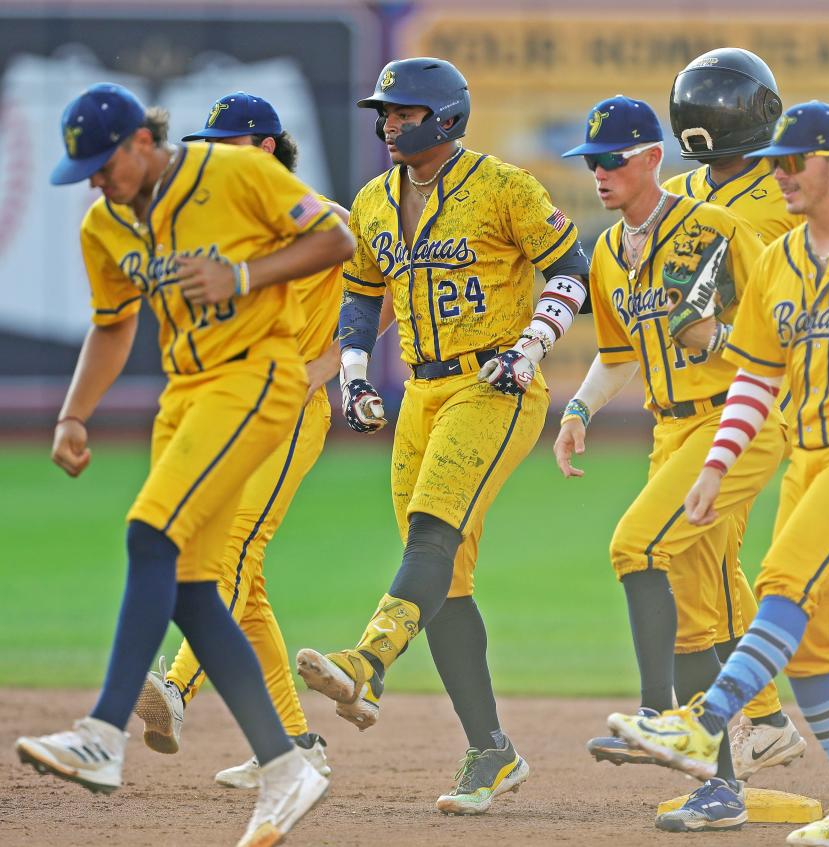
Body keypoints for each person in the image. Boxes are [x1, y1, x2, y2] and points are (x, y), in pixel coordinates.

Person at [14, 83, 355, 847]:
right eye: (86, 173)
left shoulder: (231, 172)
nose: (96, 183)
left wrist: (242, 277)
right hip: (187, 391)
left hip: (262, 376)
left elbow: (338, 239)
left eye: (104, 165)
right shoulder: (106, 225)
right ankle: (287, 764)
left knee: (149, 533)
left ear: (142, 142)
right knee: (196, 590)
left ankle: (103, 733)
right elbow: (111, 326)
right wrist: (73, 413)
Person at [612, 101, 829, 846]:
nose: (780, 176)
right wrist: (717, 462)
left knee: (782, 581)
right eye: (774, 163)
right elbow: (755, 378)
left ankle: (705, 722)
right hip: (810, 457)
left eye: (793, 161)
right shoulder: (778, 260)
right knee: (808, 647)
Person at [295, 56, 589, 815]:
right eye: (385, 112)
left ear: (448, 118)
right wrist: (353, 374)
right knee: (445, 578)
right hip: (422, 390)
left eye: (405, 112)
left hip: (494, 386)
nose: (390, 123)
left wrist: (527, 347)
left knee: (431, 532)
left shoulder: (502, 186)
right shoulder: (371, 200)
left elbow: (570, 269)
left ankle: (367, 659)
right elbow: (362, 297)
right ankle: (491, 751)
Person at [131, 91, 392, 790]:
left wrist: (328, 366)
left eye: (229, 144)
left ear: (268, 148)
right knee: (247, 581)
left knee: (237, 542)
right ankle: (297, 742)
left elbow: (379, 292)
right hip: (237, 407)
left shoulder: (320, 220)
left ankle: (179, 687)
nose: (214, 156)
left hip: (292, 410)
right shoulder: (231, 229)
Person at [555, 94, 787, 833]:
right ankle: (719, 784)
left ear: (654, 158)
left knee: (636, 545)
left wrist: (715, 340)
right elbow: (619, 352)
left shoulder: (716, 229)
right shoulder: (605, 248)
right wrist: (580, 409)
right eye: (589, 162)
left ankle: (659, 714)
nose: (599, 173)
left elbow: (781, 328)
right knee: (696, 607)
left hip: (734, 419)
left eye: (613, 159)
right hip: (669, 430)